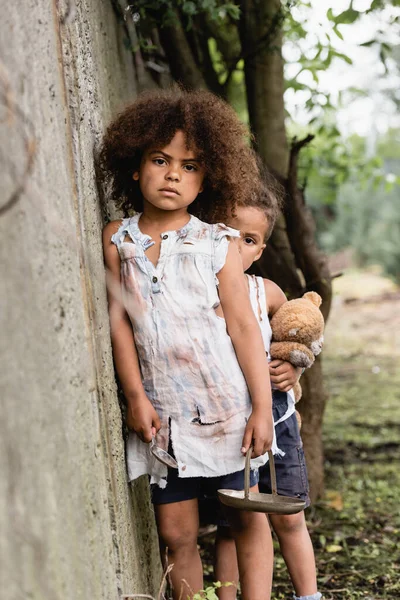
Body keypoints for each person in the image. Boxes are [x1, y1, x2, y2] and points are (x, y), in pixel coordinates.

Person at [100, 88, 276, 600]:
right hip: (165, 417)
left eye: (189, 165)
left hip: (228, 409)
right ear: (135, 167)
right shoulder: (118, 240)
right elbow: (119, 324)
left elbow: (244, 329)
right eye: (160, 160)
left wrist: (262, 408)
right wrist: (135, 396)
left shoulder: (218, 244)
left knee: (245, 521)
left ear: (207, 179)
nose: (173, 174)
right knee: (177, 535)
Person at [205, 190, 322, 600]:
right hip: (226, 427)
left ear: (262, 248)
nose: (240, 247)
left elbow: (303, 329)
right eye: (231, 234)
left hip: (277, 423)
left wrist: (295, 364)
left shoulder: (265, 291)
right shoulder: (197, 291)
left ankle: (309, 596)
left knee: (289, 516)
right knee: (232, 523)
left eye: (251, 240)